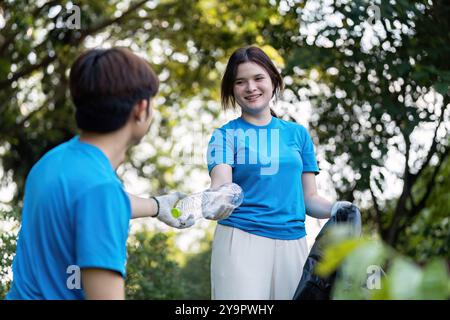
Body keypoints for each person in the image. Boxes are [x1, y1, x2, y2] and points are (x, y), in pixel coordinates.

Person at [6, 47, 194, 300]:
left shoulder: (52, 162)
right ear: (141, 108)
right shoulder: (101, 191)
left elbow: (85, 203)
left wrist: (157, 206)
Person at [206, 46, 353, 300]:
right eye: (240, 82)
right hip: (240, 239)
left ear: (273, 80)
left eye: (258, 78)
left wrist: (338, 208)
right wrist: (216, 201)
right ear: (232, 89)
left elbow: (310, 199)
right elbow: (221, 185)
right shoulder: (224, 136)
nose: (251, 87)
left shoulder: (298, 134)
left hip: (293, 242)